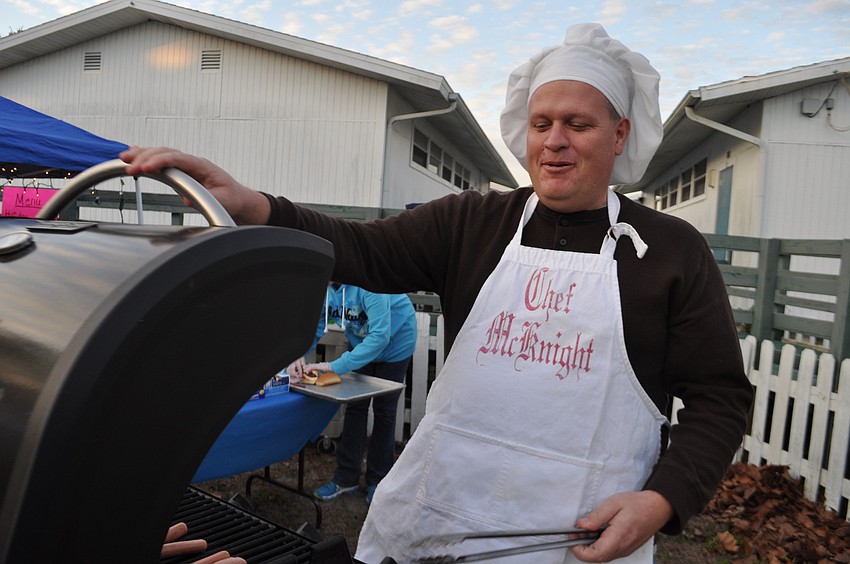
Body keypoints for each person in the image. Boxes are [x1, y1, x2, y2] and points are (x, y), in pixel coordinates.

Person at [122, 22, 753, 564]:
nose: (554, 141)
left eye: (577, 125)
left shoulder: (669, 251)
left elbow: (720, 396)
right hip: (443, 521)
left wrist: (663, 498)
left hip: (576, 538)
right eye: (541, 123)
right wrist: (256, 206)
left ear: (618, 134)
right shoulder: (473, 223)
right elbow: (359, 246)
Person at [285, 282, 417, 504]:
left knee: (385, 411)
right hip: (361, 345)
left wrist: (333, 366)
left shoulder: (369, 285)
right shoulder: (325, 286)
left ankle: (379, 480)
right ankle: (346, 478)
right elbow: (316, 325)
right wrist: (299, 354)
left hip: (396, 344)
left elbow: (380, 337)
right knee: (355, 407)